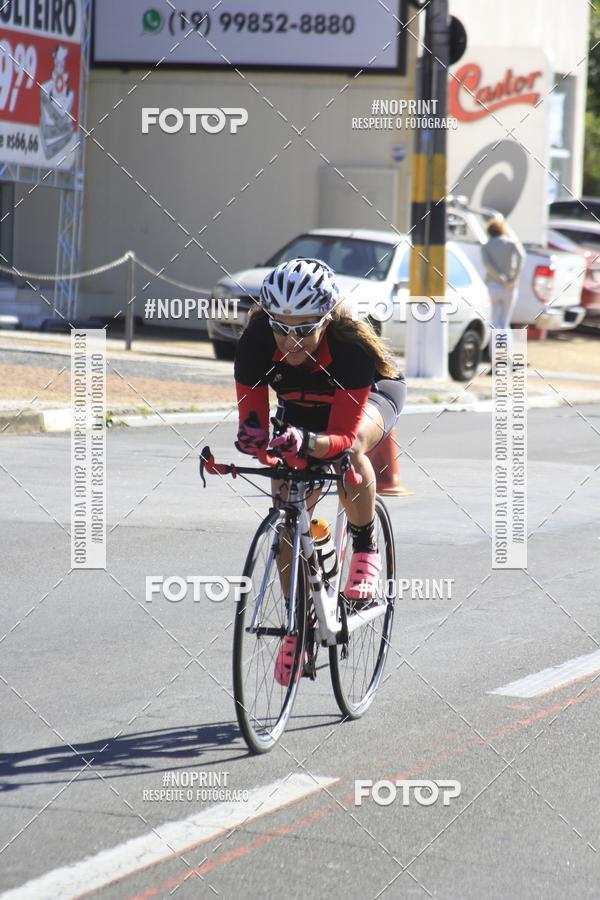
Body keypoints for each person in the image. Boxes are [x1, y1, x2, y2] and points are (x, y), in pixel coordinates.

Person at [234, 258, 406, 683]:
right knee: (286, 511)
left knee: (349, 454)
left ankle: (365, 548)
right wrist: (257, 442)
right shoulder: (256, 340)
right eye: (281, 328)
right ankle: (300, 620)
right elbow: (253, 423)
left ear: (326, 320)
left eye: (305, 330)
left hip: (364, 403)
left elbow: (343, 437)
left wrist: (308, 444)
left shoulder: (349, 346)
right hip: (302, 404)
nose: (291, 341)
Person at [481, 217, 526, 331]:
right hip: (510, 287)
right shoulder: (511, 243)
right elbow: (522, 256)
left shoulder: (486, 246)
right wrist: (513, 279)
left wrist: (501, 279)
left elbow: (488, 265)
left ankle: (495, 348)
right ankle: (507, 348)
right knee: (505, 322)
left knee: (494, 321)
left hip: (493, 285)